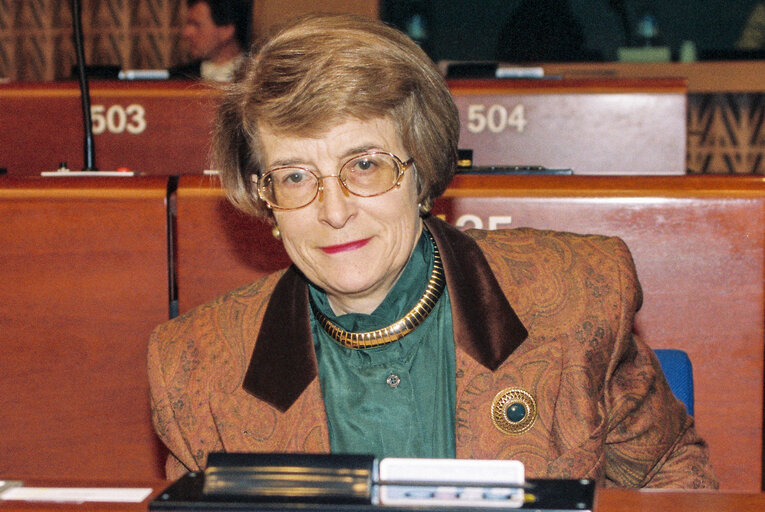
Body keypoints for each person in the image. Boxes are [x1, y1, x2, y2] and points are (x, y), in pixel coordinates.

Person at [148, 13, 718, 488]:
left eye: (364, 165)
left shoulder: (577, 299)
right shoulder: (195, 372)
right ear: (264, 200)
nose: (334, 211)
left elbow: (672, 481)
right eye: (296, 177)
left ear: (420, 175)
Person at [170, 0, 252, 82]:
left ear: (226, 30)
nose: (186, 32)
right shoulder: (177, 78)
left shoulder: (253, 78)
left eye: (196, 25)